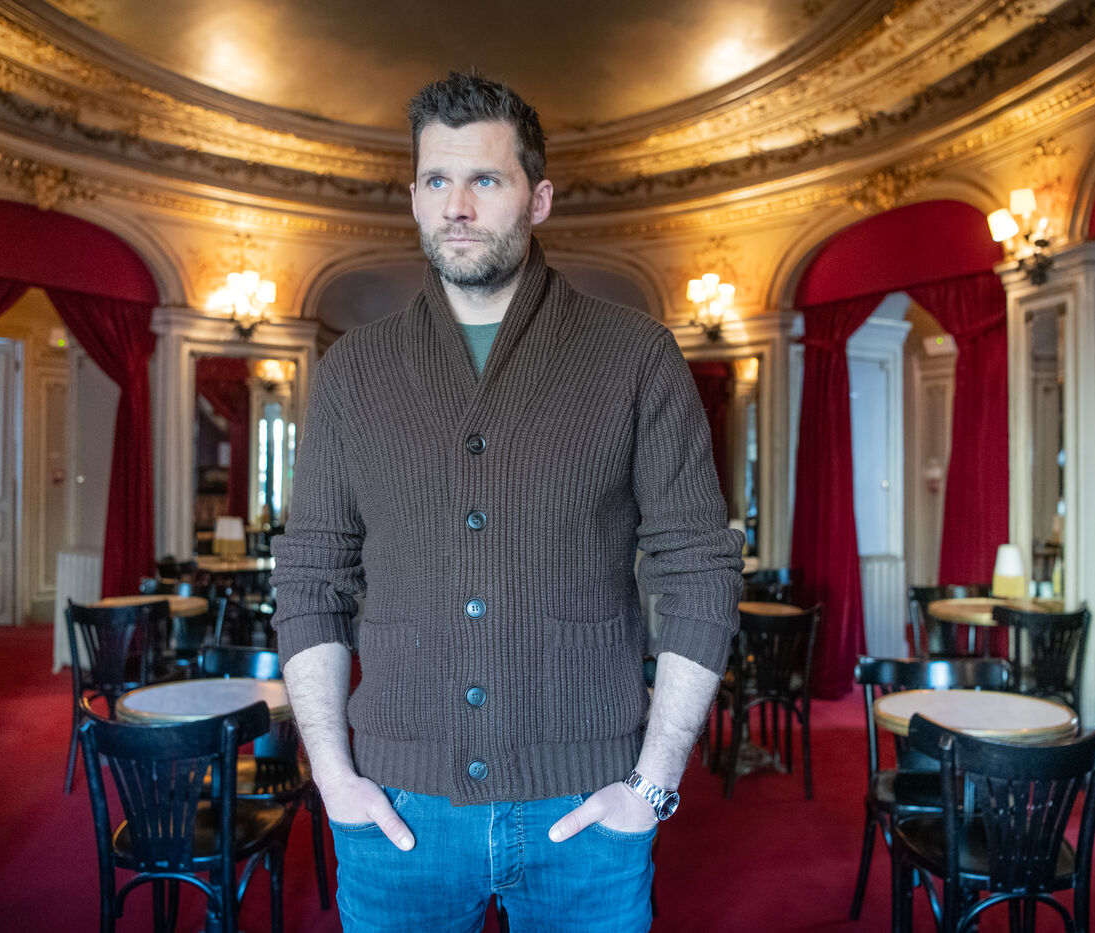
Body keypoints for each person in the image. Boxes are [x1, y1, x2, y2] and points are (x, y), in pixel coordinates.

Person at [271, 71, 743, 932]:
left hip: (590, 809)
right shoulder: (351, 371)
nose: (458, 205)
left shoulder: (636, 356)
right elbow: (311, 578)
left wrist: (653, 782)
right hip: (397, 810)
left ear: (539, 198)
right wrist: (332, 775)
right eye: (437, 180)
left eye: (486, 179)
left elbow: (700, 571)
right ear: (414, 197)